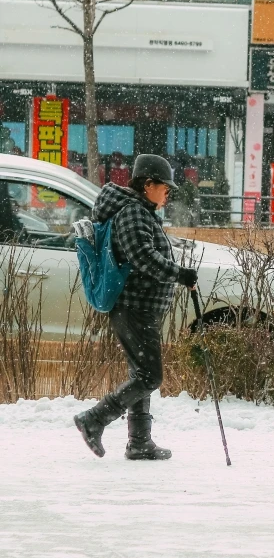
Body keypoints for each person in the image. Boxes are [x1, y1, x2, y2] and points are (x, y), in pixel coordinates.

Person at [74, 154, 198, 461]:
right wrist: (179, 274)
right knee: (149, 377)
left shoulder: (142, 211)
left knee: (141, 372)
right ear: (147, 184)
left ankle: (140, 441)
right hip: (133, 307)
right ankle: (95, 419)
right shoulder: (132, 213)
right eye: (164, 185)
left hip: (140, 307)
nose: (168, 191)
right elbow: (143, 257)